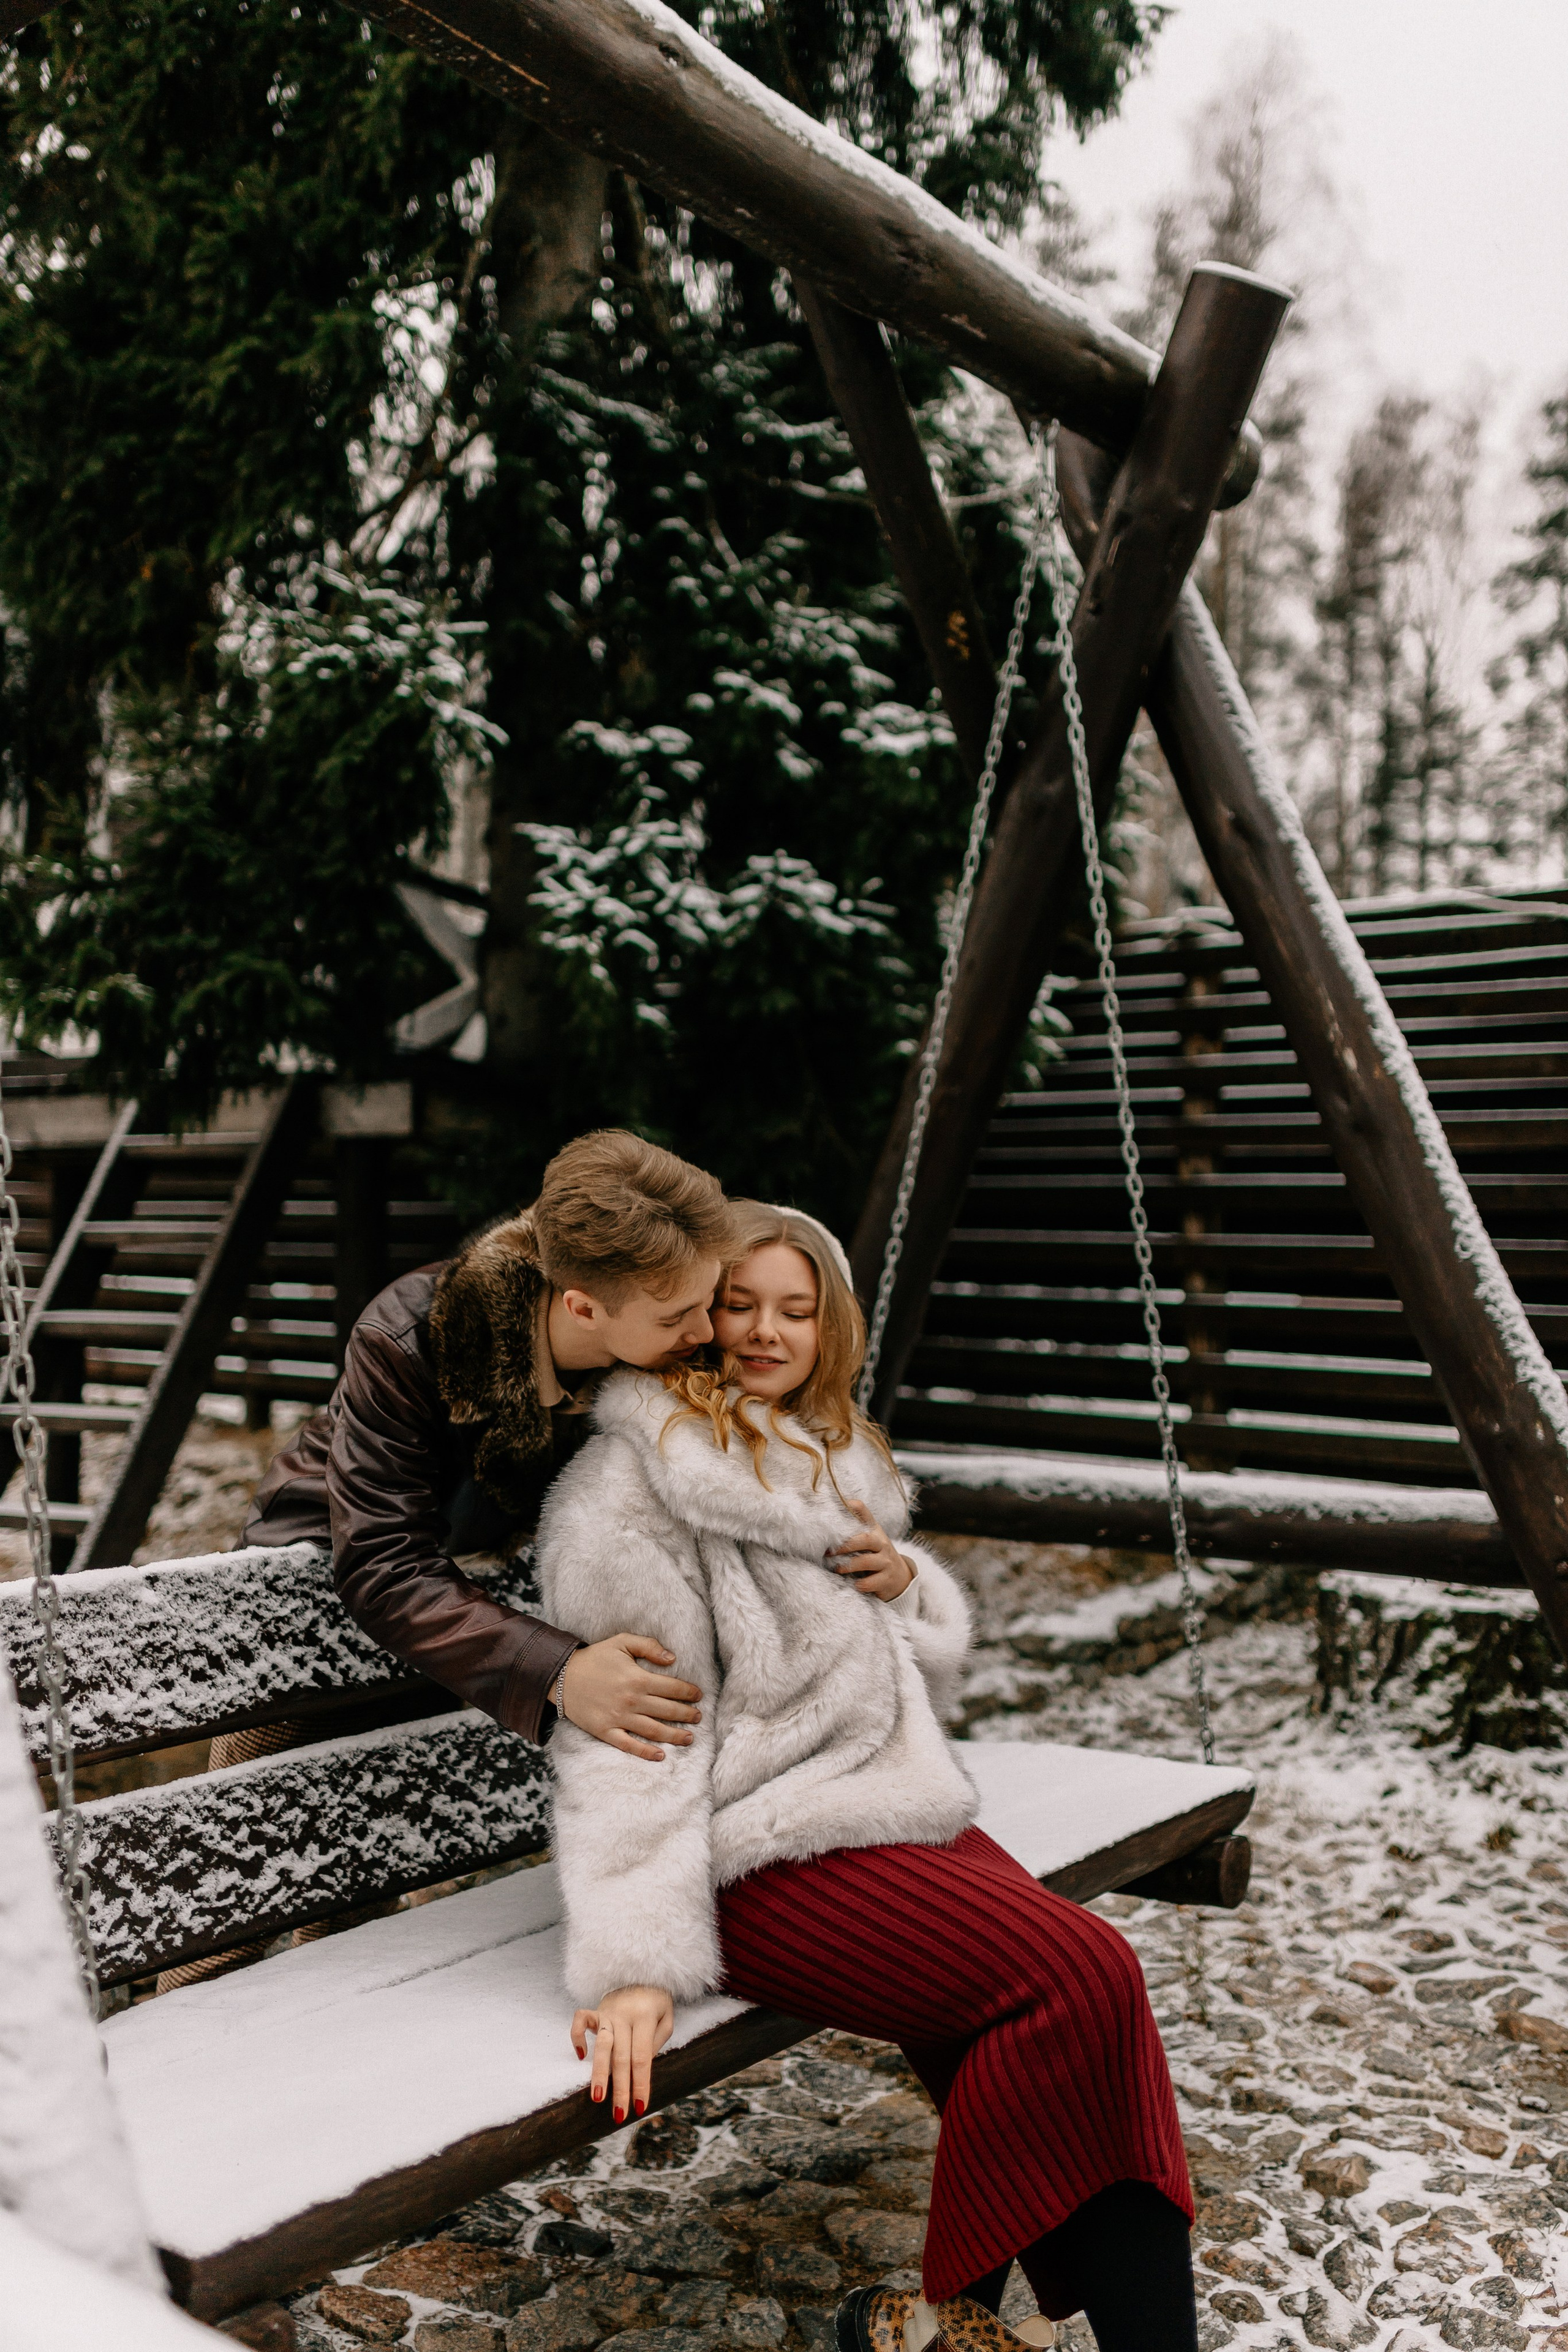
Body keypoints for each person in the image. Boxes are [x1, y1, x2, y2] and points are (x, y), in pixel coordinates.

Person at [536, 1202, 1199, 2352]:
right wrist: (636, 1961)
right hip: (752, 1852)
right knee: (1075, 1973)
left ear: (829, 1327)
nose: (763, 1331)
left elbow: (899, 1665)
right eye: (737, 1303)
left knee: (1092, 1999)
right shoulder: (628, 1492)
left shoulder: (825, 1456)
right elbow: (631, 1736)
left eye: (796, 1309)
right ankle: (957, 2332)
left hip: (884, 1808)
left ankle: (993, 2335)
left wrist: (904, 1586)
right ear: (695, 1314)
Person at [244, 1126, 736, 1751]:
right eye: (676, 1317)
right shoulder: (405, 1338)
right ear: (583, 1309)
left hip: (458, 1616)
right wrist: (558, 1673)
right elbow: (382, 1561)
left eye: (710, 1300)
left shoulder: (655, 1307)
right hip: (314, 1593)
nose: (706, 1327)